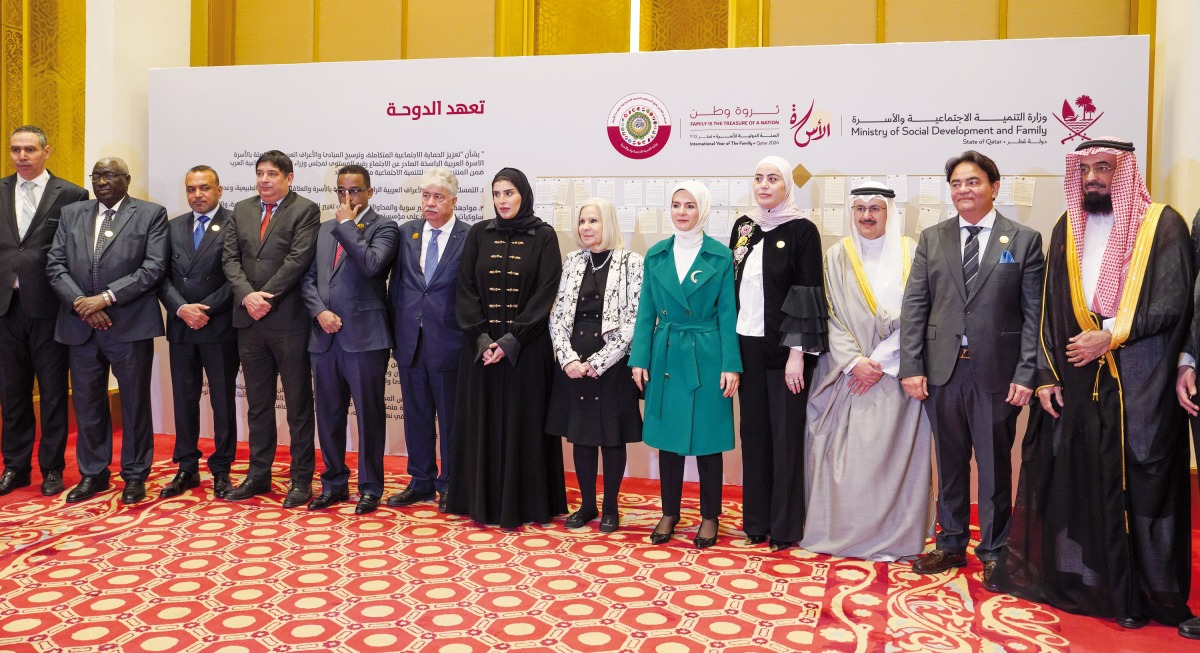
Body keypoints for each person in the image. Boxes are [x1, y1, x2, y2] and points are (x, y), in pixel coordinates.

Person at [998, 138, 1197, 637]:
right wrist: (1045, 374)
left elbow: (1175, 302)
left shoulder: (1162, 225)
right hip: (1077, 376)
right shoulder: (1068, 225)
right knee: (1081, 478)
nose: (1093, 178)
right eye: (1085, 169)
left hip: (1138, 379)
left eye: (1104, 168)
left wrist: (1112, 336)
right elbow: (1047, 307)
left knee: (1137, 484)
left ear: (1124, 171)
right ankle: (1089, 584)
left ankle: (1141, 593)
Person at [899, 150, 1043, 586]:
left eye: (973, 182)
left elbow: (1034, 314)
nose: (964, 190)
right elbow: (916, 305)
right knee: (950, 460)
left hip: (997, 374)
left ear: (993, 187)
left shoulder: (1023, 239)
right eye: (957, 183)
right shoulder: (933, 238)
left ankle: (996, 551)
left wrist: (1026, 372)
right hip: (942, 372)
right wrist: (912, 365)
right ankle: (950, 544)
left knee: (996, 464)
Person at [801, 182, 932, 561]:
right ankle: (843, 533)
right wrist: (855, 362)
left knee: (893, 460)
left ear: (890, 213)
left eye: (875, 209)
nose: (867, 216)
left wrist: (886, 359)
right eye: (859, 209)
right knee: (848, 462)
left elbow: (920, 311)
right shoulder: (836, 256)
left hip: (897, 375)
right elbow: (828, 315)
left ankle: (896, 536)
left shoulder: (912, 253)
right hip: (847, 374)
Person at [446, 168, 567, 528]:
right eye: (497, 194)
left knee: (524, 425)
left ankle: (527, 503)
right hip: (480, 352)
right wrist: (483, 339)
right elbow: (464, 289)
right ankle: (478, 500)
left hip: (526, 353)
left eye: (509, 193)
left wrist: (511, 341)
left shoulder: (544, 235)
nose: (502, 200)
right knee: (481, 423)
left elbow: (547, 292)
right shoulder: (480, 234)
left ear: (523, 195)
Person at [46, 157, 168, 504]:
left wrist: (105, 299)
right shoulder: (73, 213)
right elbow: (55, 264)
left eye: (110, 175)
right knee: (87, 404)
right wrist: (83, 303)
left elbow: (153, 268)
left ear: (126, 180)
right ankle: (94, 474)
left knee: (133, 404)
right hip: (80, 325)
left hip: (128, 324)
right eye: (97, 175)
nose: (102, 181)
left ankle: (134, 474)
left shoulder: (150, 214)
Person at [630, 181, 741, 549]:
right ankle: (670, 511)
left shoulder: (720, 257)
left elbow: (728, 314)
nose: (681, 212)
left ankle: (710, 517)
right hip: (666, 354)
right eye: (676, 204)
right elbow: (646, 311)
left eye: (690, 206)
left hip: (708, 354)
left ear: (703, 210)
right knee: (668, 441)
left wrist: (731, 365)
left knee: (708, 440)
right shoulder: (657, 254)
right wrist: (639, 359)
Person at [728, 156, 826, 552]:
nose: (764, 185)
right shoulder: (744, 228)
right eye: (758, 178)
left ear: (788, 185)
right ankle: (756, 521)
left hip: (786, 351)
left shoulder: (803, 230)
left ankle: (784, 526)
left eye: (773, 179)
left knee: (785, 438)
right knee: (752, 436)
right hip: (746, 347)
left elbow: (807, 293)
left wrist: (797, 354)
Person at [222, 150, 320, 508]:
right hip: (249, 322)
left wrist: (267, 297)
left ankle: (300, 479)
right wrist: (248, 297)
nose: (264, 180)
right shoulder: (243, 209)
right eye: (260, 173)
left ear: (289, 178)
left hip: (288, 322)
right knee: (258, 404)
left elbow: (298, 260)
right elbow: (229, 259)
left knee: (297, 404)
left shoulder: (305, 210)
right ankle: (258, 474)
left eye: (272, 174)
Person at [301, 165, 398, 514]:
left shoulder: (385, 227)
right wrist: (318, 312)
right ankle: (334, 483)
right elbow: (308, 279)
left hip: (365, 338)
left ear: (370, 192)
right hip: (324, 336)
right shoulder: (324, 230)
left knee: (369, 415)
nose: (347, 198)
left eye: (354, 191)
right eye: (341, 191)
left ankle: (371, 487)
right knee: (328, 415)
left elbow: (372, 265)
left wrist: (347, 226)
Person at [0, 125, 87, 497]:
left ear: (46, 152)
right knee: (12, 392)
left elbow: (75, 254)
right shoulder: (0, 189)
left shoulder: (71, 194)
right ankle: (16, 467)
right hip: (6, 308)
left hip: (50, 308)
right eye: (16, 150)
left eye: (29, 150)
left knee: (53, 392)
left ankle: (52, 468)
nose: (22, 157)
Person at [547, 197, 644, 533]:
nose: (586, 228)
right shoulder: (572, 261)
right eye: (582, 221)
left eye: (593, 221)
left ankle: (611, 508)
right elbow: (557, 316)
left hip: (613, 366)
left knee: (611, 437)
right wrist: (568, 357)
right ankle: (587, 505)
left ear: (609, 224)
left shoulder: (632, 262)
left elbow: (634, 320)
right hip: (574, 365)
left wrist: (599, 362)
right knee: (581, 436)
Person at [388, 167, 469, 513]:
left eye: (438, 197)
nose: (430, 203)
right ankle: (420, 480)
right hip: (410, 342)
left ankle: (451, 484)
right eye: (425, 196)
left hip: (450, 343)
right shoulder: (407, 233)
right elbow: (397, 287)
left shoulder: (469, 236)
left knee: (450, 419)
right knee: (416, 416)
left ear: (453, 201)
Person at [158, 165, 240, 499]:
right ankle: (186, 468)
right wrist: (181, 309)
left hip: (218, 326)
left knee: (222, 401)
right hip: (181, 327)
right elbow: (160, 276)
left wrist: (204, 310)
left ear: (219, 190)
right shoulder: (173, 226)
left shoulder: (235, 223)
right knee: (184, 399)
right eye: (191, 189)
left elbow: (238, 275)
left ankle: (222, 469)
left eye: (204, 188)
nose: (197, 195)